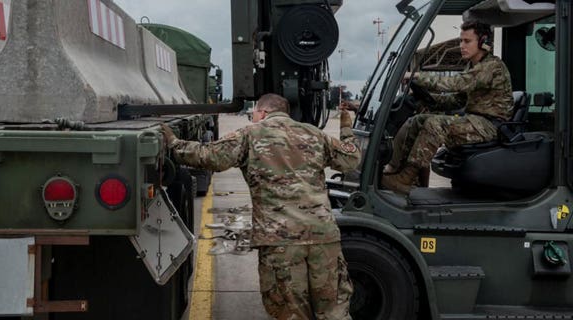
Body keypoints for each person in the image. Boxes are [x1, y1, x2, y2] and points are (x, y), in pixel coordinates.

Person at [161, 93, 360, 320]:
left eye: (254, 113)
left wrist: (174, 143)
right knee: (334, 312)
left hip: (281, 242)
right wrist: (346, 126)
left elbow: (209, 157)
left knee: (293, 313)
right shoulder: (314, 134)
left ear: (263, 112)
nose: (252, 118)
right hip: (324, 238)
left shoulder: (250, 135)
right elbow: (350, 160)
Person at [381, 20, 514, 195]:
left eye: (467, 41)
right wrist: (425, 97)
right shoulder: (473, 67)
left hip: (491, 126)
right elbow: (456, 101)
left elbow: (456, 83)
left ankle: (405, 178)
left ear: (482, 42)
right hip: (476, 122)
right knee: (419, 120)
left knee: (436, 124)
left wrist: (415, 76)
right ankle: (408, 177)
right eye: (461, 41)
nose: (461, 46)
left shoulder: (491, 67)